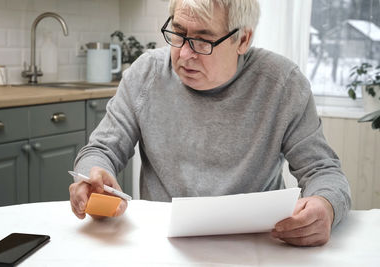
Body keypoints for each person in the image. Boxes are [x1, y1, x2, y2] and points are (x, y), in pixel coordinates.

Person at [69, 0, 351, 247]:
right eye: (178, 34)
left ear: (243, 40)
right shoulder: (145, 74)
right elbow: (101, 150)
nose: (184, 54)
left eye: (203, 41)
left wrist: (325, 206)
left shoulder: (283, 84)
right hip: (162, 241)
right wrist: (92, 176)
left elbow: (323, 171)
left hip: (257, 244)